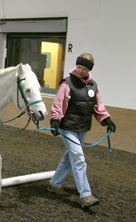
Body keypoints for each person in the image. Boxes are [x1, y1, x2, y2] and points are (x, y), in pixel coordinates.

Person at [48, 53, 116, 208]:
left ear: (89, 70)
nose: (80, 71)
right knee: (78, 158)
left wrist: (107, 120)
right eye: (78, 67)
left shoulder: (93, 85)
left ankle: (54, 184)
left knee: (69, 158)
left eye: (84, 69)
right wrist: (55, 120)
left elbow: (98, 106)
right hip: (67, 127)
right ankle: (85, 195)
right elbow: (58, 104)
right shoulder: (67, 83)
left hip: (82, 127)